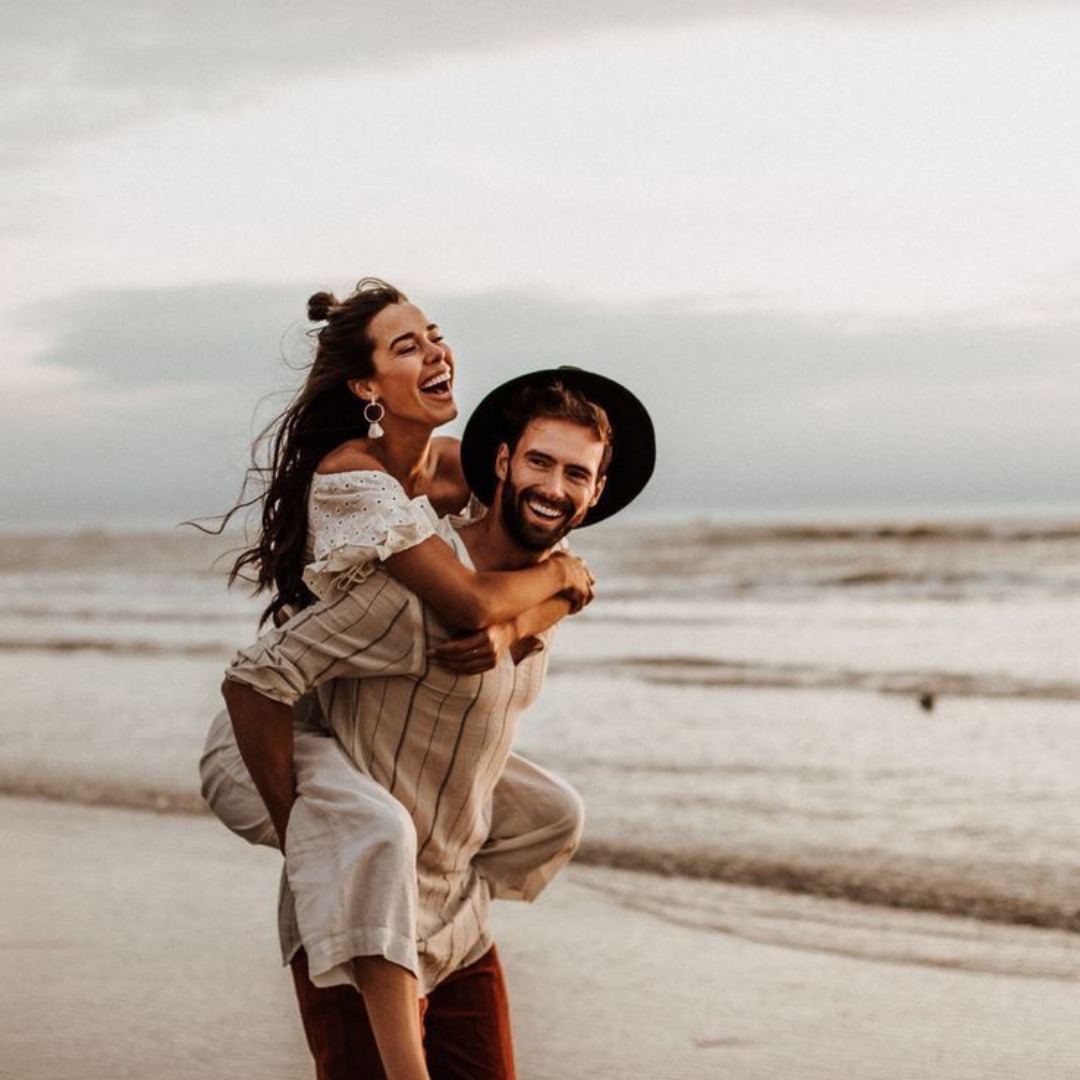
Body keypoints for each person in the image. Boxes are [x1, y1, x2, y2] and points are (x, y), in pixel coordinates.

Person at [212, 370, 654, 1080]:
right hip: (361, 926)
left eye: (577, 473)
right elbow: (256, 679)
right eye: (539, 461)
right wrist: (305, 834)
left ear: (596, 492)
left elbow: (514, 618)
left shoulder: (541, 586)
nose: (554, 485)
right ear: (503, 462)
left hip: (461, 927)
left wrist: (547, 604)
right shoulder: (410, 586)